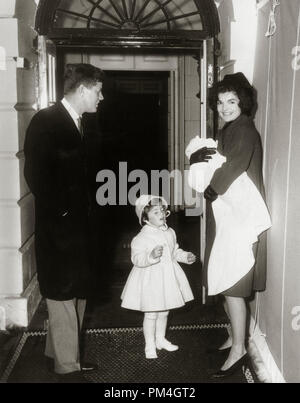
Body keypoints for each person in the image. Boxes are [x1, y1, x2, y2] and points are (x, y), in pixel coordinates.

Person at [24, 63, 105, 380]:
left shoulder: (80, 122)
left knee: (77, 291)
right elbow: (35, 175)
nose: (102, 98)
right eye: (98, 91)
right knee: (62, 295)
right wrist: (64, 213)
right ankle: (68, 369)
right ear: (83, 89)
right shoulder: (46, 121)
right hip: (60, 229)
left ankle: (59, 354)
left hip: (77, 229)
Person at [189, 72, 271, 378]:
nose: (224, 107)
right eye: (221, 101)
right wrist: (199, 157)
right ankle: (234, 337)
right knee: (224, 280)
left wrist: (209, 189)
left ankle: (239, 350)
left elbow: (233, 166)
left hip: (241, 219)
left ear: (243, 103)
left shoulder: (244, 130)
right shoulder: (228, 129)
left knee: (234, 287)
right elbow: (217, 159)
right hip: (229, 214)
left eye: (232, 101)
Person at [121, 195, 196, 359]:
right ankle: (149, 344)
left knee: (164, 312)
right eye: (155, 212)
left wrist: (185, 257)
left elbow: (174, 251)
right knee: (151, 313)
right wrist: (151, 256)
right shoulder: (140, 237)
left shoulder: (170, 232)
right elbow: (137, 259)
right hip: (150, 280)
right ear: (145, 217)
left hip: (167, 277)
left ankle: (160, 339)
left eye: (162, 210)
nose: (161, 214)